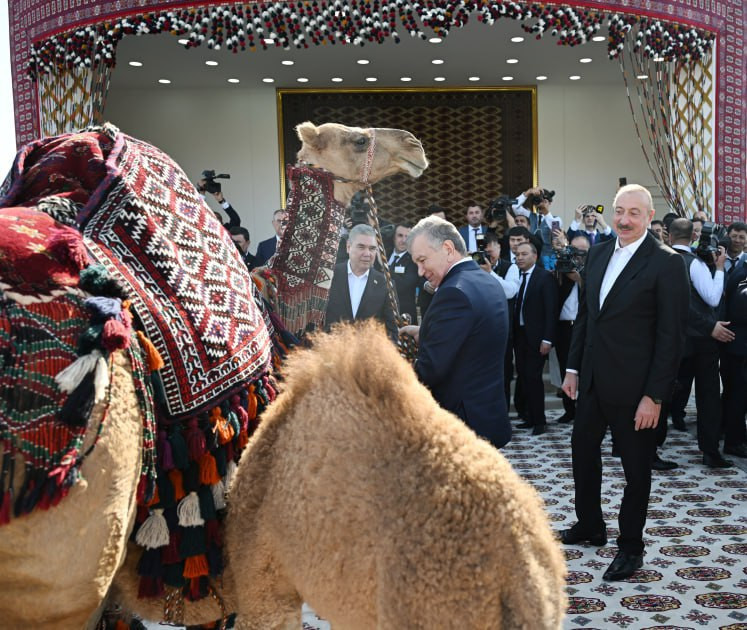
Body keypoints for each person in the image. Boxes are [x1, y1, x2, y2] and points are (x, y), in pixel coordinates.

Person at [560, 184, 689, 581]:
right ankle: (590, 524)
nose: (625, 219)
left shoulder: (667, 263)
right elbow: (587, 317)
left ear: (649, 217)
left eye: (634, 212)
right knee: (583, 454)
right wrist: (573, 369)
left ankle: (631, 547)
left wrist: (655, 396)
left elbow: (671, 337)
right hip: (593, 382)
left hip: (637, 392)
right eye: (619, 211)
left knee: (636, 471)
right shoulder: (598, 253)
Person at [400, 216, 511, 449]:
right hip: (487, 416)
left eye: (422, 260)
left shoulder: (453, 293)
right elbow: (473, 337)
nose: (420, 271)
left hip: (461, 427)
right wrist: (426, 332)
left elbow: (430, 370)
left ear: (448, 249)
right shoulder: (487, 281)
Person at [667, 218, 733, 467]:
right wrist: (719, 269)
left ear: (669, 236)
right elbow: (713, 298)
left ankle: (651, 449)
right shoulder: (695, 263)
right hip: (703, 339)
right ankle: (710, 451)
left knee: (664, 391)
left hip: (673, 339)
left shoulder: (661, 261)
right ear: (692, 237)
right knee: (708, 396)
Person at [512, 241, 558, 435]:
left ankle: (540, 421)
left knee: (533, 377)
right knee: (524, 377)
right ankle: (529, 417)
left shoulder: (545, 277)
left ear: (535, 255)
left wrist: (547, 339)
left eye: (524, 254)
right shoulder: (517, 276)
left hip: (537, 338)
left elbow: (551, 310)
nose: (519, 258)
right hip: (520, 336)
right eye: (517, 255)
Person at [325, 224, 397, 341]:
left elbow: (392, 331)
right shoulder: (329, 276)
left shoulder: (385, 284)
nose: (367, 253)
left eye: (372, 248)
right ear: (348, 247)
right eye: (361, 247)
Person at [552, 233, 591, 423]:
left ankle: (587, 410)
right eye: (574, 251)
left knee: (587, 370)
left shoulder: (595, 270)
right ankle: (569, 410)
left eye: (583, 252)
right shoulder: (562, 269)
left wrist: (581, 279)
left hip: (587, 329)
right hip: (565, 328)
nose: (578, 256)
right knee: (565, 368)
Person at [388, 222, 423, 324]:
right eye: (400, 236)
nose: (403, 240)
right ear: (394, 237)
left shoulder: (414, 259)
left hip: (404, 316)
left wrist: (384, 267)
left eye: (407, 237)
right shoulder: (385, 253)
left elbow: (404, 285)